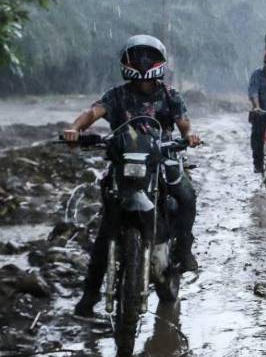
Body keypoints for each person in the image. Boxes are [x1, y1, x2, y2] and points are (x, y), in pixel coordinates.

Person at [64, 35, 202, 317]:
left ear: (159, 62)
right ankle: (89, 298)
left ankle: (184, 250)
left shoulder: (170, 95)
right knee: (107, 231)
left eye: (147, 57)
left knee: (186, 196)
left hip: (162, 158)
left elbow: (184, 124)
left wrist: (189, 135)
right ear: (127, 61)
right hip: (124, 164)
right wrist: (74, 128)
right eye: (137, 56)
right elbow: (92, 113)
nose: (141, 63)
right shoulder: (116, 95)